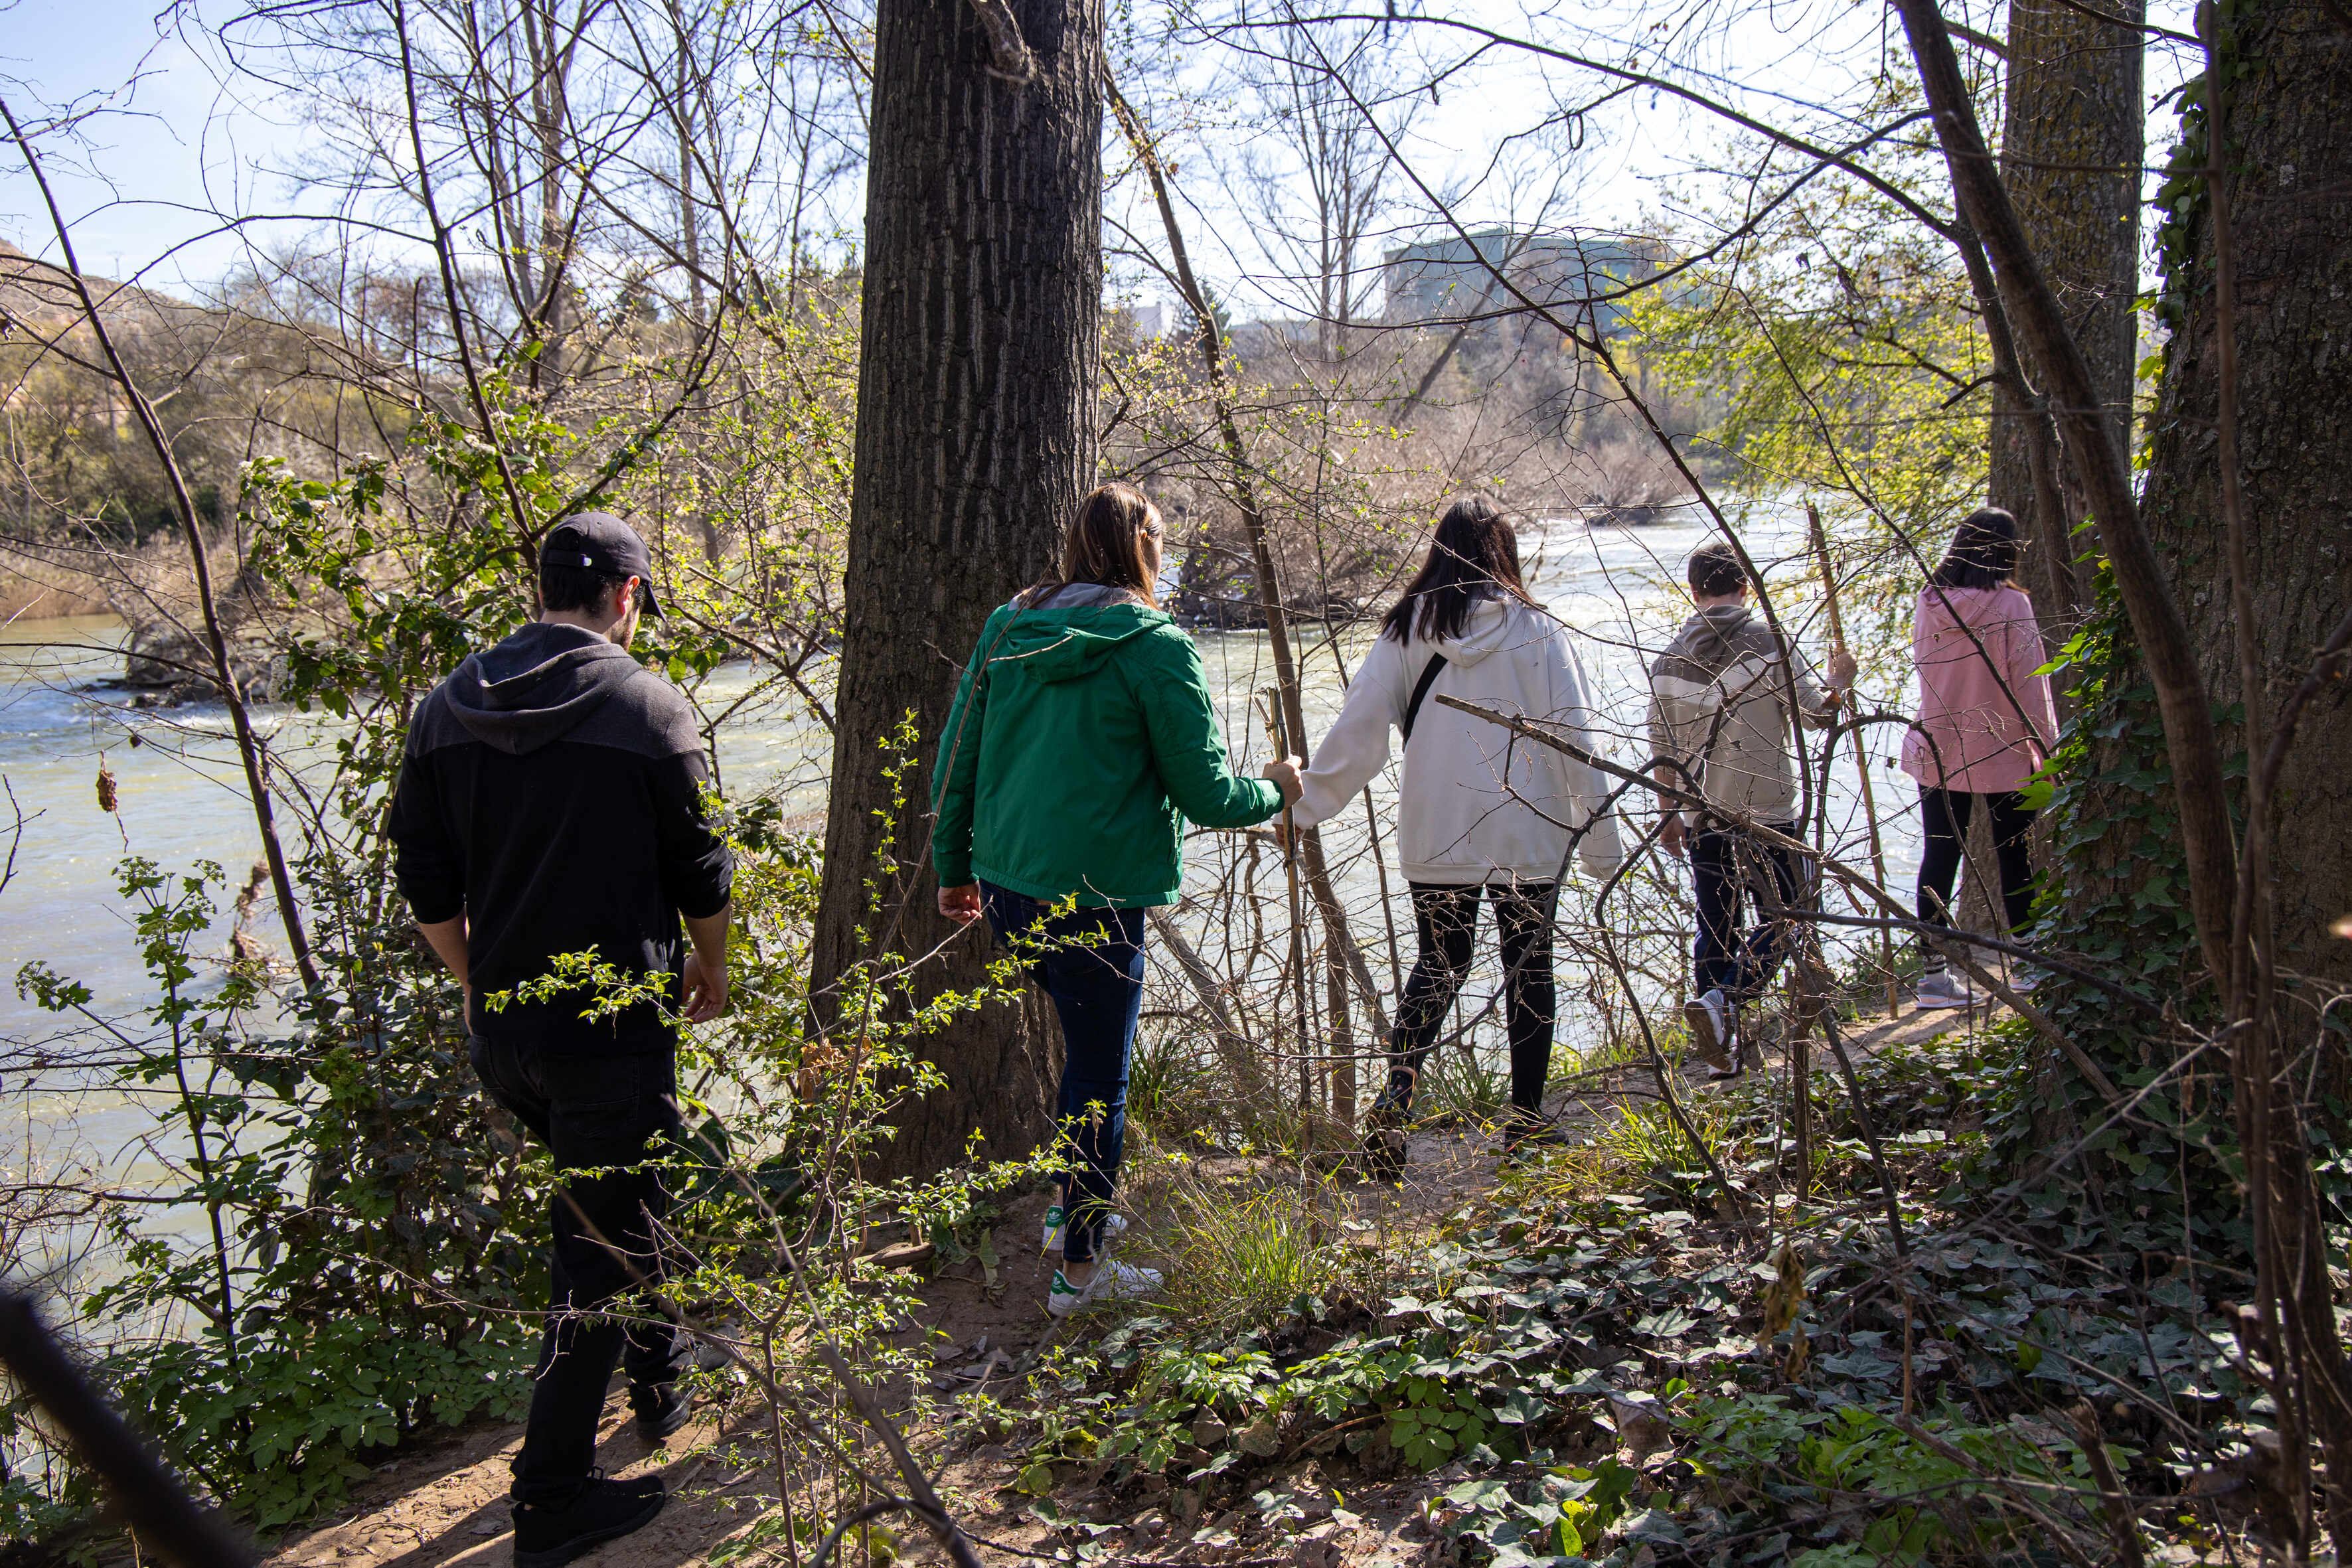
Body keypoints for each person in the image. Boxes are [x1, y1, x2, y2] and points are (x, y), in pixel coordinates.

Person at [388, 512, 734, 1568]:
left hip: (508, 1034)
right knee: (595, 1239)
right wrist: (711, 966)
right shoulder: (645, 704)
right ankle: (550, 1496)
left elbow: (424, 885)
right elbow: (702, 871)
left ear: (541, 588)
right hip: (610, 1029)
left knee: (623, 1196)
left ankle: (660, 1377)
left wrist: (478, 985)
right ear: (627, 596)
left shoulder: (447, 704)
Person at [931, 481, 1301, 1317]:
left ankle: (1072, 1213)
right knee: (1100, 1075)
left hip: (1009, 889)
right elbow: (1208, 794)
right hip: (1097, 900)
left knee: (1080, 1051)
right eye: (1160, 543)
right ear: (1145, 550)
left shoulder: (1009, 627)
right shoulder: (1155, 645)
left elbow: (957, 757)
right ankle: (1081, 1276)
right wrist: (1277, 790)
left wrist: (952, 867)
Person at [1288, 495, 1624, 1173]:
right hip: (1529, 834)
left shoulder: (1407, 628)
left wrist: (1304, 804)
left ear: (1439, 551)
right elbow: (1577, 737)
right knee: (1530, 965)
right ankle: (1526, 1123)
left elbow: (1360, 729)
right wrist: (1602, 845)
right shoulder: (1538, 630)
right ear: (1504, 551)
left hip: (1438, 831)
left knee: (1439, 966)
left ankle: (1392, 1109)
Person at [1646, 538, 1854, 1075]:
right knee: (1791, 912)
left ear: (1693, 593)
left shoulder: (1670, 657)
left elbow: (1660, 748)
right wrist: (1839, 681)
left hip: (1702, 811)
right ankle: (1725, 1004)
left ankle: (1720, 1046)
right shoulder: (1768, 640)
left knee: (1715, 922)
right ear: (1745, 587)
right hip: (1767, 807)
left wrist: (1668, 812)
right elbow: (1815, 715)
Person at [1901, 507, 2058, 1008]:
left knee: (1939, 856)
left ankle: (1931, 978)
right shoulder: (2011, 605)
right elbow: (2031, 685)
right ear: (2007, 551)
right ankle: (2028, 965)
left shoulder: (1928, 600)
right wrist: (2047, 750)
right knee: (2014, 856)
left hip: (1937, 749)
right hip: (2001, 748)